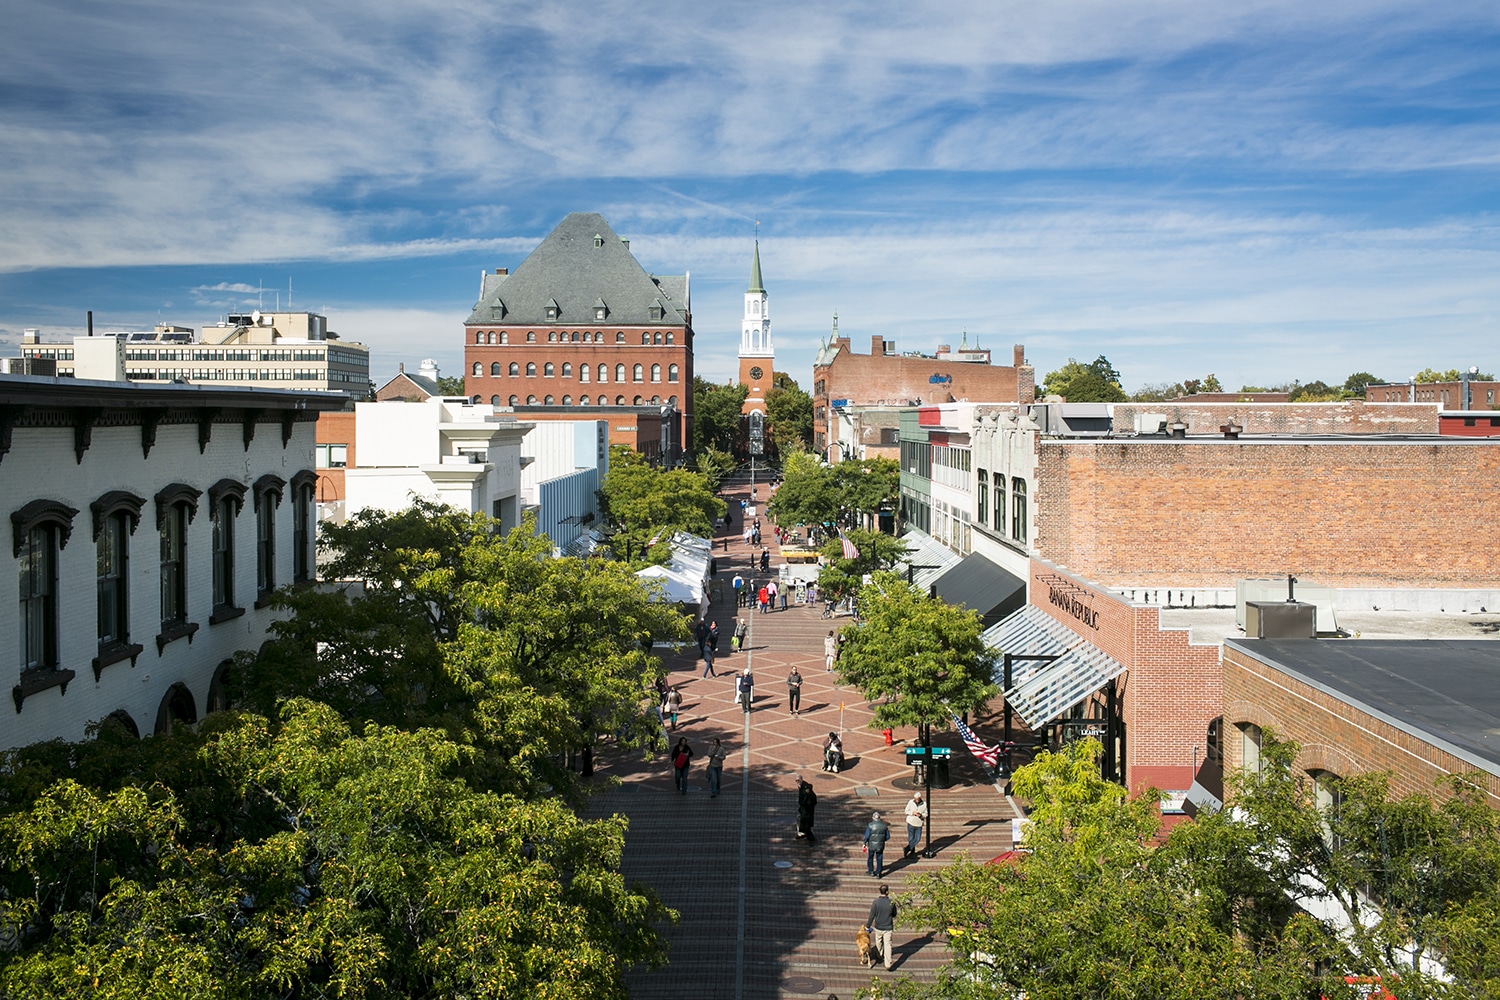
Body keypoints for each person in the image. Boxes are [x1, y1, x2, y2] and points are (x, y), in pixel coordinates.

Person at [866, 884, 897, 970]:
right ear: (887, 892)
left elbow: (871, 915)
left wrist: (867, 926)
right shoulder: (891, 902)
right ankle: (888, 963)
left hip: (878, 926)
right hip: (888, 927)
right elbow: (894, 914)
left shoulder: (876, 902)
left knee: (878, 942)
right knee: (888, 945)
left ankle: (879, 956)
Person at [864, 811, 891, 878]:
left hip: (871, 845)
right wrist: (882, 840)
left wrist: (864, 843)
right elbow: (888, 836)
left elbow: (867, 836)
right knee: (879, 858)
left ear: (873, 818)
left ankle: (871, 871)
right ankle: (878, 872)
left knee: (870, 857)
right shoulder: (884, 825)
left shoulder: (870, 825)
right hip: (880, 845)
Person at [903, 792, 927, 857]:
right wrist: (912, 813)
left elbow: (926, 813)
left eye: (917, 799)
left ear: (920, 798)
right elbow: (906, 811)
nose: (916, 800)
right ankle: (912, 852)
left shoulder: (924, 804)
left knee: (917, 839)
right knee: (911, 838)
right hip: (911, 822)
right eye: (915, 799)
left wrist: (921, 815)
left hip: (919, 823)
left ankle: (907, 848)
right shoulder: (911, 802)